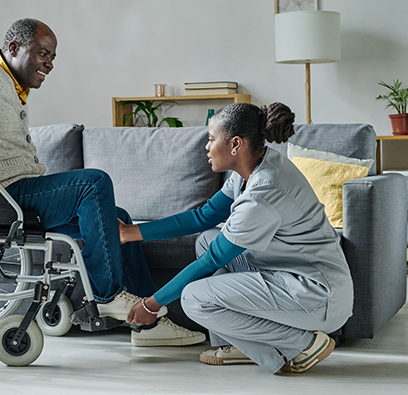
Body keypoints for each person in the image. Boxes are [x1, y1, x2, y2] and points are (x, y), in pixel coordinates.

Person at [0, 18, 204, 346]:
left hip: (21, 189)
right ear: (13, 48)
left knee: (120, 220)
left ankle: (147, 323)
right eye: (43, 53)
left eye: (53, 57)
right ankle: (107, 295)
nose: (49, 63)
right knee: (93, 182)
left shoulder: (9, 86)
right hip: (0, 193)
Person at [119, 102, 354, 373]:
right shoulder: (251, 169)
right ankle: (238, 345)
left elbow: (212, 261)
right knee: (206, 238)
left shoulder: (263, 192)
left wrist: (151, 304)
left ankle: (300, 344)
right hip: (293, 274)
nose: (206, 147)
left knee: (194, 298)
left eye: (211, 139)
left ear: (235, 145)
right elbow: (203, 216)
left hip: (318, 294)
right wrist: (130, 233)